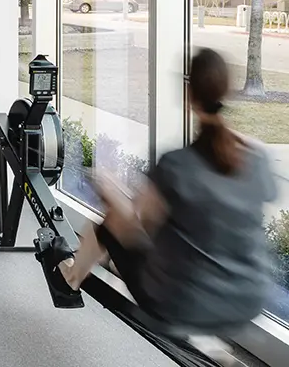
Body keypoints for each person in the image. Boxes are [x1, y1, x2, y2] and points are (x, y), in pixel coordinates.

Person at [54, 48, 276, 344]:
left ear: (189, 95)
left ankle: (71, 279)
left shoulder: (176, 165)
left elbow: (137, 226)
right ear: (228, 93)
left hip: (180, 304)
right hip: (249, 300)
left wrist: (107, 187)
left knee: (110, 224)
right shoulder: (256, 158)